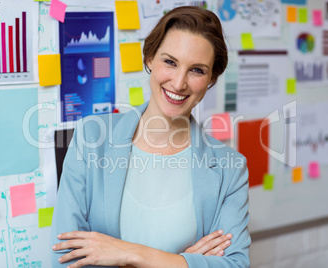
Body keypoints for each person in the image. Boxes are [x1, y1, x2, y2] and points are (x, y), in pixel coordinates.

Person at [51, 5, 250, 268]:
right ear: (149, 58)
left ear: (211, 79)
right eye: (170, 62)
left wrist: (130, 254)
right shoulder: (92, 137)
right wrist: (183, 262)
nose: (179, 83)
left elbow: (235, 264)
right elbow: (64, 258)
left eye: (197, 70)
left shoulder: (229, 168)